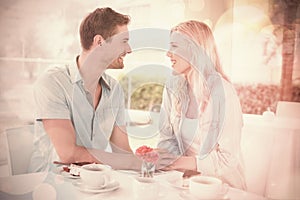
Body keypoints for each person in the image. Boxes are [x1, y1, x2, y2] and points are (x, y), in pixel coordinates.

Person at [28, 7, 141, 172]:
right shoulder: (54, 82)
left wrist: (146, 161)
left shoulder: (114, 89)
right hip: (49, 185)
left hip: (93, 183)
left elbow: (122, 152)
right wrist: (128, 162)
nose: (129, 49)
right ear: (100, 42)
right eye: (123, 41)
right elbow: (68, 154)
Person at [158, 20, 247, 190]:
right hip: (185, 183)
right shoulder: (172, 88)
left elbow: (227, 160)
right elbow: (167, 139)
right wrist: (159, 156)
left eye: (174, 47)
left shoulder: (223, 93)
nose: (168, 54)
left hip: (223, 187)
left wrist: (177, 162)